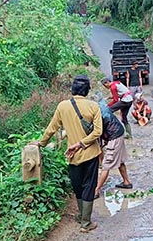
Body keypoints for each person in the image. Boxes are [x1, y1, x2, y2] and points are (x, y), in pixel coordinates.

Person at [30, 75, 102, 232]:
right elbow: (98, 132)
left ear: (72, 89)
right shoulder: (93, 106)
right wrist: (81, 144)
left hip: (72, 155)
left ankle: (81, 215)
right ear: (87, 90)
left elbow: (52, 127)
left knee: (77, 185)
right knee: (89, 185)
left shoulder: (63, 106)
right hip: (90, 153)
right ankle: (86, 222)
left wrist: (41, 143)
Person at [94, 98, 133, 197]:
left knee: (106, 165)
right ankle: (126, 182)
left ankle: (96, 191)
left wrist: (102, 159)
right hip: (119, 132)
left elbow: (98, 138)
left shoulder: (98, 116)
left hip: (114, 136)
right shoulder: (102, 109)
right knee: (120, 161)